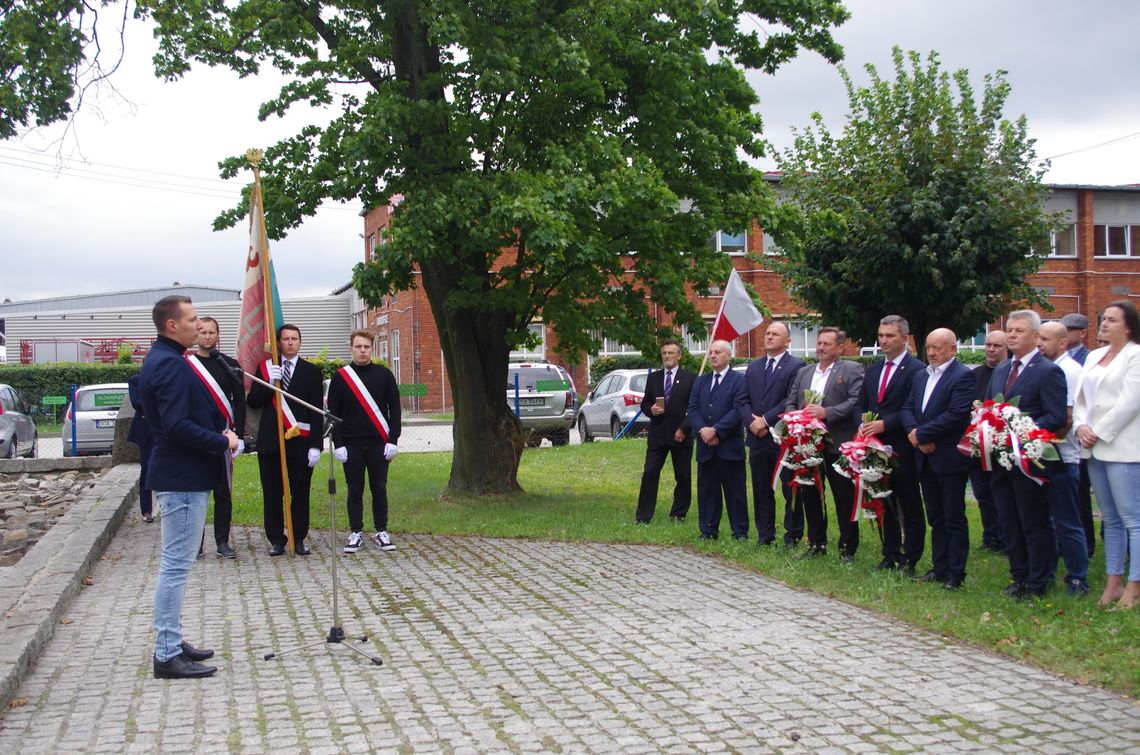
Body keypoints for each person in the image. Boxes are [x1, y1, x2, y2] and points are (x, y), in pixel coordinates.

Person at [139, 295, 240, 679]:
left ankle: (172, 638)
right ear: (171, 326)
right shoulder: (169, 365)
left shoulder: (169, 358)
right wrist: (222, 441)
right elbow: (176, 425)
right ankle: (166, 653)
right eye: (193, 319)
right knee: (177, 566)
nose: (199, 325)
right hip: (181, 476)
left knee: (176, 564)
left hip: (183, 473)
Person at [985, 310, 1067, 599]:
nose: (1011, 335)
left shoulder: (1048, 370)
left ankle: (1038, 579)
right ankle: (1018, 575)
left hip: (1029, 457)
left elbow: (1056, 416)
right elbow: (992, 408)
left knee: (1032, 519)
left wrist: (1020, 431)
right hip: (1001, 458)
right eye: (1009, 329)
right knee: (1008, 518)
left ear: (1035, 336)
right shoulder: (1001, 370)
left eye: (1019, 330)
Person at [1073, 301, 1140, 609]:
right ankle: (1113, 583)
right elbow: (1082, 399)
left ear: (1128, 326)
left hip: (1123, 447)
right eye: (1103, 319)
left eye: (1112, 320)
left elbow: (1130, 402)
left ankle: (1134, 586)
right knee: (1110, 519)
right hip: (1092, 446)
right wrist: (1080, 426)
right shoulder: (1095, 356)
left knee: (1133, 520)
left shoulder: (1135, 355)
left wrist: (1098, 430)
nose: (1104, 324)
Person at [901, 328, 976, 590]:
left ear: (953, 349)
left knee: (953, 515)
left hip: (948, 456)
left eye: (938, 348)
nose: (932, 352)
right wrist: (914, 433)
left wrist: (922, 433)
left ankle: (956, 572)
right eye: (929, 347)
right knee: (935, 516)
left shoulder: (963, 376)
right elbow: (907, 407)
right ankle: (939, 566)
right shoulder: (922, 375)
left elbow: (957, 414)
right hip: (924, 454)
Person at [784, 328, 864, 559]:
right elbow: (791, 402)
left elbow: (854, 401)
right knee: (810, 495)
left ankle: (848, 547)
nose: (821, 348)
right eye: (819, 343)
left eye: (827, 344)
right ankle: (816, 544)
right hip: (808, 446)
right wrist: (796, 419)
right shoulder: (804, 372)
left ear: (840, 347)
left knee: (843, 497)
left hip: (837, 443)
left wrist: (825, 412)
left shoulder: (851, 369)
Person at [247, 324, 324, 556]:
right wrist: (269, 383)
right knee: (272, 493)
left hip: (301, 441)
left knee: (300, 492)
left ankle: (298, 537)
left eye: (295, 339)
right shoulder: (268, 369)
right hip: (271, 442)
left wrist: (316, 445)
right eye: (286, 339)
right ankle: (276, 539)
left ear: (300, 342)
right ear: (278, 343)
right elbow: (253, 402)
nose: (291, 343)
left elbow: (317, 410)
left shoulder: (311, 371)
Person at [856, 315, 925, 573]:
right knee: (882, 500)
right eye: (881, 335)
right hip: (874, 448)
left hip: (901, 447)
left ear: (905, 339)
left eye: (890, 336)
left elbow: (913, 407)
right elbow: (861, 403)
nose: (883, 340)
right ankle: (890, 552)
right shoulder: (874, 369)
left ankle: (911, 557)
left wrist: (887, 423)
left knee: (908, 504)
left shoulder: (917, 369)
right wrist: (861, 424)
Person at [327, 330, 402, 553]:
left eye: (366, 347)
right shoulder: (341, 377)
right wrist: (338, 444)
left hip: (379, 443)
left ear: (372, 349)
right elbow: (333, 413)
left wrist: (393, 439)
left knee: (379, 488)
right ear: (351, 348)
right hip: (351, 444)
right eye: (358, 347)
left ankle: (381, 530)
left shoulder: (384, 375)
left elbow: (395, 408)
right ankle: (356, 532)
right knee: (354, 489)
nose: (362, 351)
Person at [738, 322, 806, 545]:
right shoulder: (754, 367)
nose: (769, 337)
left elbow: (790, 400)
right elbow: (742, 399)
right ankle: (765, 535)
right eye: (767, 333)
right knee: (761, 489)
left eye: (775, 334)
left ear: (787, 341)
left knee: (790, 488)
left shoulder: (796, 366)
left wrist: (766, 420)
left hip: (781, 437)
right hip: (757, 438)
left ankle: (793, 534)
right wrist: (752, 422)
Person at [1037, 321, 1091, 596]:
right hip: (1043, 455)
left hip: (1063, 455)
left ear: (1062, 343)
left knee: (1068, 521)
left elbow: (1067, 418)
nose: (1039, 344)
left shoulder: (1069, 370)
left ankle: (1078, 577)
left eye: (1045, 339)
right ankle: (1046, 572)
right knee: (1045, 520)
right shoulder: (1046, 367)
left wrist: (1033, 436)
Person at [188, 316, 246, 559]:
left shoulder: (230, 365)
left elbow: (240, 403)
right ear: (196, 335)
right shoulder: (187, 366)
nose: (208, 336)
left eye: (212, 332)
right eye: (203, 332)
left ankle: (222, 541)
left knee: (223, 491)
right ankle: (196, 544)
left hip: (224, 436)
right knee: (198, 491)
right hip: (198, 437)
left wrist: (240, 435)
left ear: (218, 335)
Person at [686, 340, 747, 540]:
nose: (712, 355)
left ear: (729, 355)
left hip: (729, 445)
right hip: (706, 446)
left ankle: (739, 531)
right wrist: (703, 430)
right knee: (707, 490)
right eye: (710, 352)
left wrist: (717, 431)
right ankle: (708, 529)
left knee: (735, 491)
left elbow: (738, 409)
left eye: (717, 352)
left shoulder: (738, 380)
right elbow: (692, 409)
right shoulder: (701, 381)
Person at [635, 338, 695, 524]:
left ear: (679, 355)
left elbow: (694, 407)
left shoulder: (691, 378)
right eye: (664, 353)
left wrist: (683, 428)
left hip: (680, 435)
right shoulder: (654, 378)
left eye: (671, 352)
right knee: (650, 473)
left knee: (683, 476)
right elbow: (645, 403)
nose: (667, 356)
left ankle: (678, 515)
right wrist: (650, 410)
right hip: (658, 435)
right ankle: (643, 517)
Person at [970, 331, 1009, 553]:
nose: (991, 349)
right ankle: (990, 536)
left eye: (997, 346)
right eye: (988, 345)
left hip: (1002, 444)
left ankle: (1005, 536)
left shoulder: (1009, 373)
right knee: (982, 492)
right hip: (977, 443)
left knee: (1002, 494)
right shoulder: (975, 374)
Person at [126, 373, 154, 523]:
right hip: (145, 430)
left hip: (164, 430)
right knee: (146, 470)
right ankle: (147, 510)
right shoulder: (135, 380)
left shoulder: (164, 378)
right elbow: (136, 402)